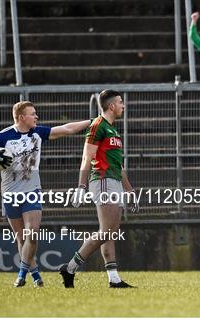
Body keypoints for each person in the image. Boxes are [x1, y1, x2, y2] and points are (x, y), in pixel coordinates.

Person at [0, 101, 91, 287]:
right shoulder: (3, 137)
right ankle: (35, 275)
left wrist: (92, 121)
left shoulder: (37, 133)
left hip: (32, 192)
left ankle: (21, 274)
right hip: (10, 194)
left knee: (32, 234)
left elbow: (67, 129)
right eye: (33, 113)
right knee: (21, 238)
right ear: (22, 117)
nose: (36, 117)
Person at [59, 89, 139, 288]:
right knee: (107, 231)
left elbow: (119, 165)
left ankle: (114, 278)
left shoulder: (113, 129)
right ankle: (69, 268)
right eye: (120, 102)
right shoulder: (98, 125)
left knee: (110, 232)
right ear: (111, 106)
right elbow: (87, 157)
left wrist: (129, 190)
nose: (123, 106)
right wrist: (81, 186)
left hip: (114, 180)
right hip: (102, 180)